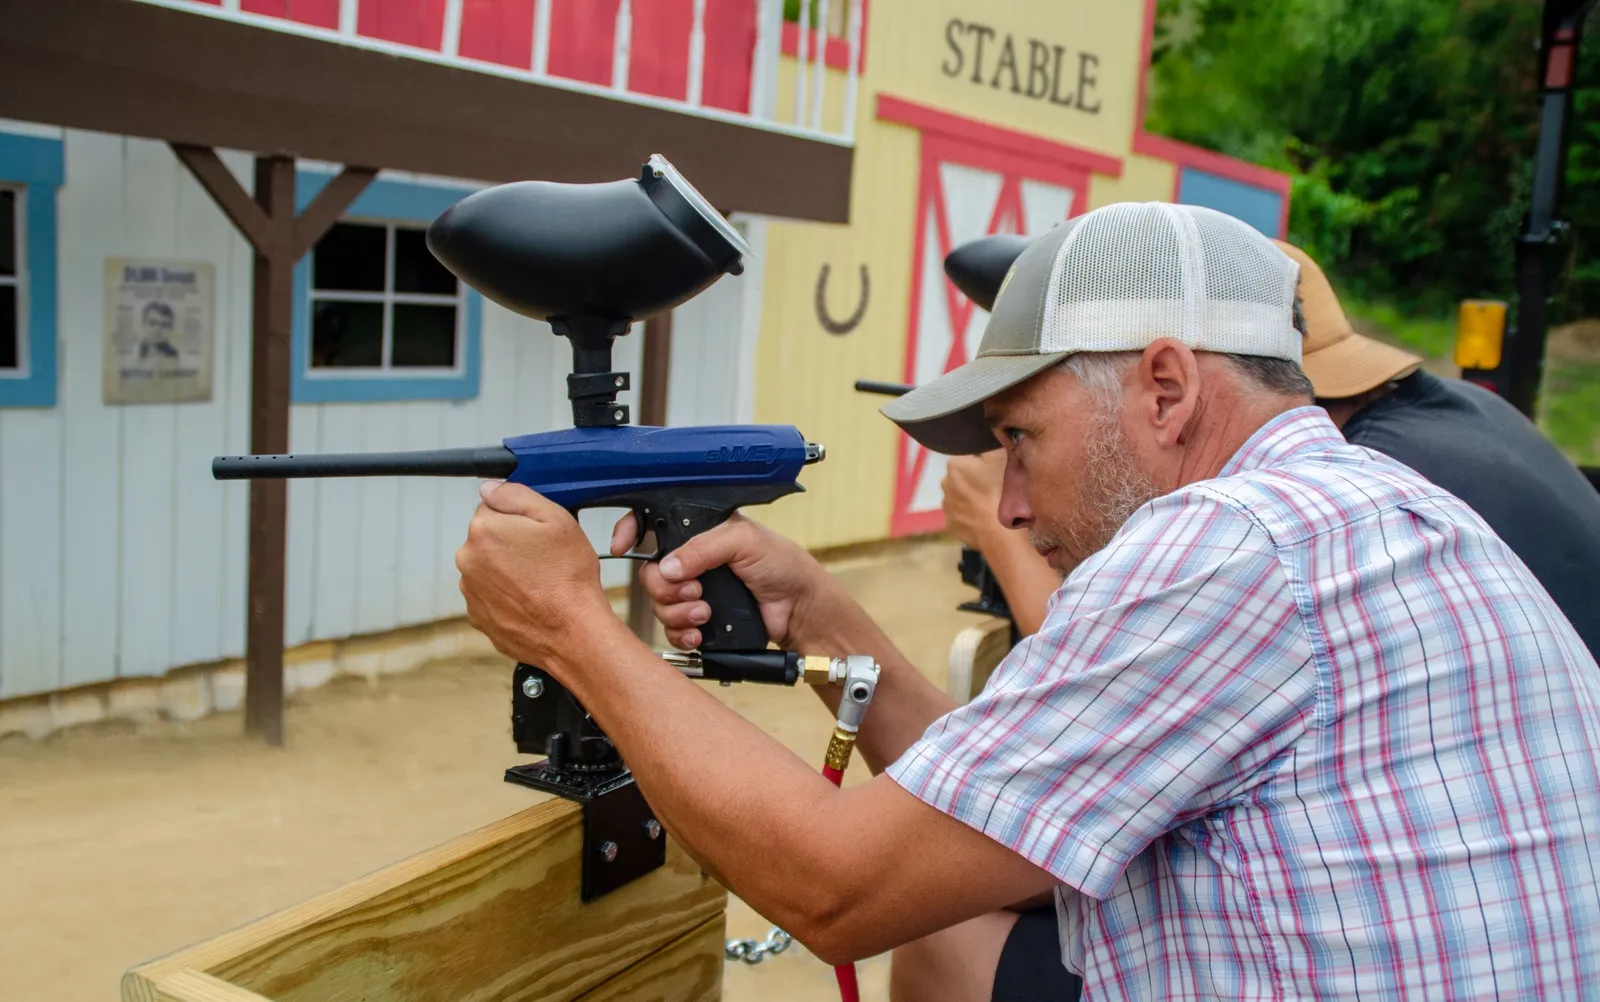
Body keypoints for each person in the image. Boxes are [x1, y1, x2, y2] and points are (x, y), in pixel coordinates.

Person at [455, 203, 1600, 1001]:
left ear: (1164, 388)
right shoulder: (1382, 506)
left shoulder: (1225, 545)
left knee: (947, 946)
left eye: (1018, 438)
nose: (1004, 505)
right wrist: (825, 618)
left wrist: (573, 627)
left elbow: (836, 887)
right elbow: (1008, 809)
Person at [944, 239, 1600, 659]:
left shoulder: (1325, 499)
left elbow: (1111, 673)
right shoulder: (1456, 416)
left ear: (1181, 388)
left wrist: (999, 536)